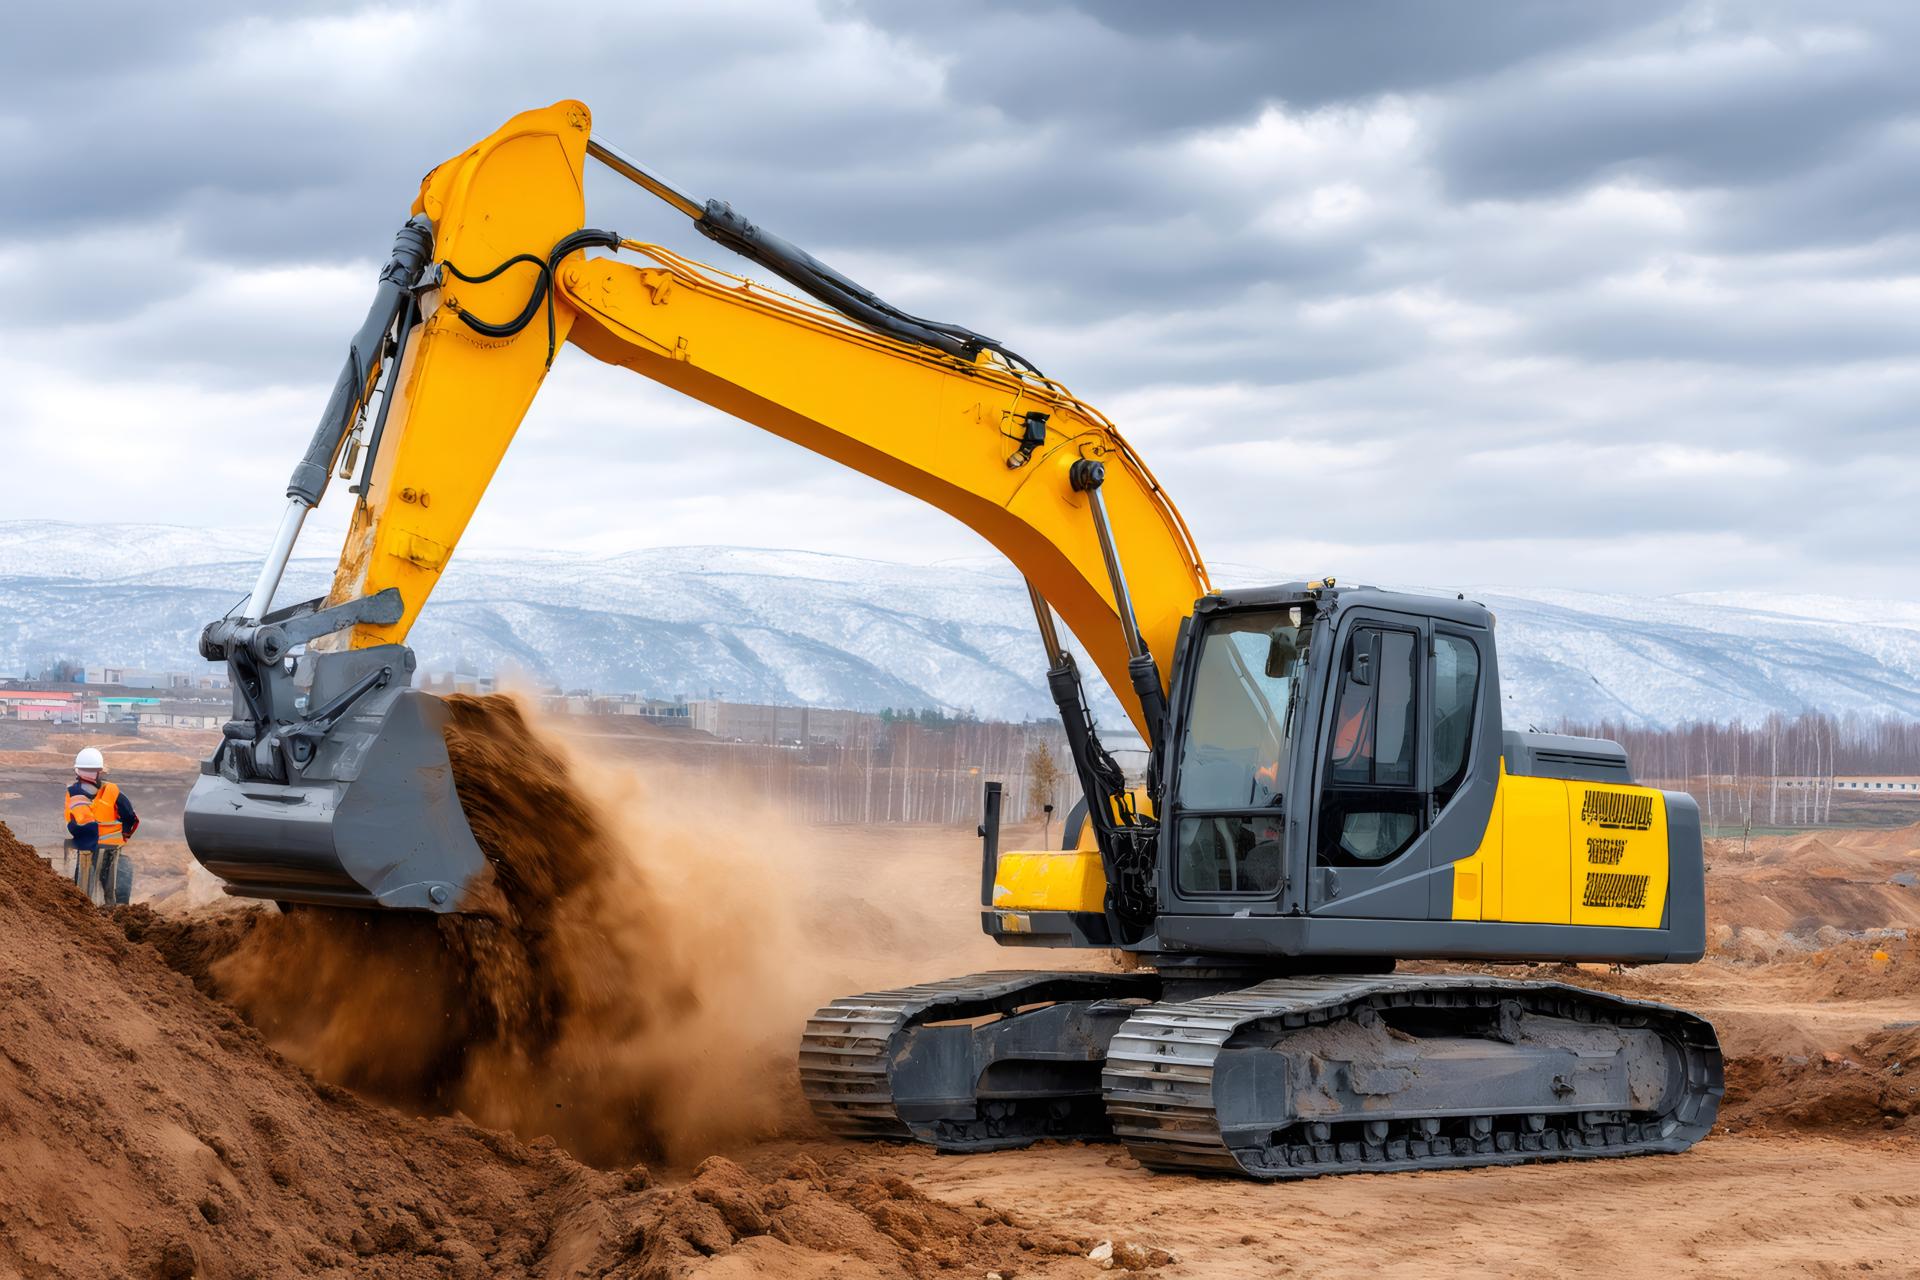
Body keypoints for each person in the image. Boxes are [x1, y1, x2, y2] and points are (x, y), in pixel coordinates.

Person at [64, 747, 138, 906]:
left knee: (83, 893)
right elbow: (130, 817)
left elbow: (72, 822)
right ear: (100, 771)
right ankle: (115, 911)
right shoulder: (112, 791)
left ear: (77, 771)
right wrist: (123, 836)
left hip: (87, 849)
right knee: (113, 893)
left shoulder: (73, 793)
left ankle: (86, 911)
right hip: (111, 848)